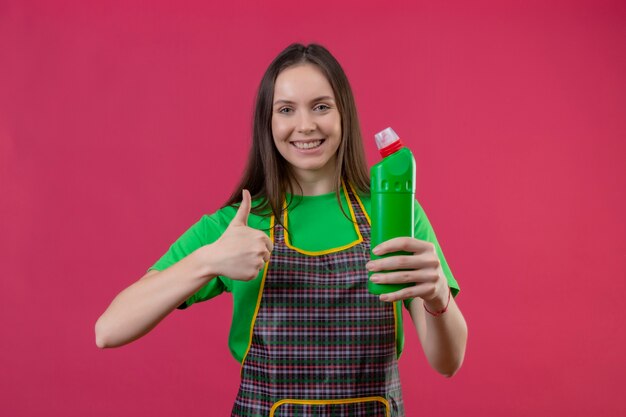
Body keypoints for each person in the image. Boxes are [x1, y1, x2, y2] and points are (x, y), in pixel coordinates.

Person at [95, 43, 468, 417]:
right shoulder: (238, 224)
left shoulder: (395, 215)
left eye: (321, 106)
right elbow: (109, 330)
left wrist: (438, 297)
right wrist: (208, 260)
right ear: (268, 123)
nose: (305, 125)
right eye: (286, 110)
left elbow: (448, 363)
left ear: (344, 116)